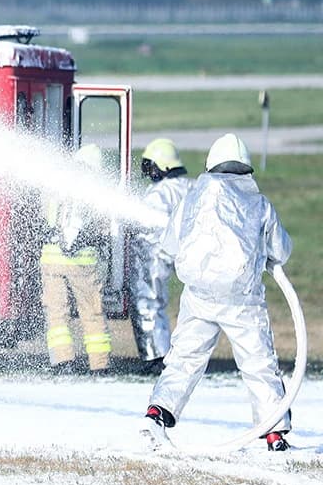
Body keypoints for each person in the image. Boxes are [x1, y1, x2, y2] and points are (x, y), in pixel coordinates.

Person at [141, 133, 293, 451]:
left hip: (199, 295)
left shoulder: (192, 199)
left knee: (184, 358)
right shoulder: (260, 204)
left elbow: (170, 244)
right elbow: (281, 251)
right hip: (242, 300)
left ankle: (157, 412)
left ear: (211, 165)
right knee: (258, 364)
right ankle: (274, 433)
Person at [40, 143, 114, 374]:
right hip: (83, 264)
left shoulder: (57, 187)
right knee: (92, 313)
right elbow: (103, 229)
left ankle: (63, 363)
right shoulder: (98, 192)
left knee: (56, 313)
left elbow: (45, 218)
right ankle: (99, 365)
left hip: (52, 260)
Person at [128, 138, 191, 368]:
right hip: (189, 253)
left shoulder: (159, 193)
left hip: (156, 253)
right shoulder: (190, 187)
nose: (149, 173)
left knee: (147, 301)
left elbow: (145, 227)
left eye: (150, 167)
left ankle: (156, 356)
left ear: (162, 166)